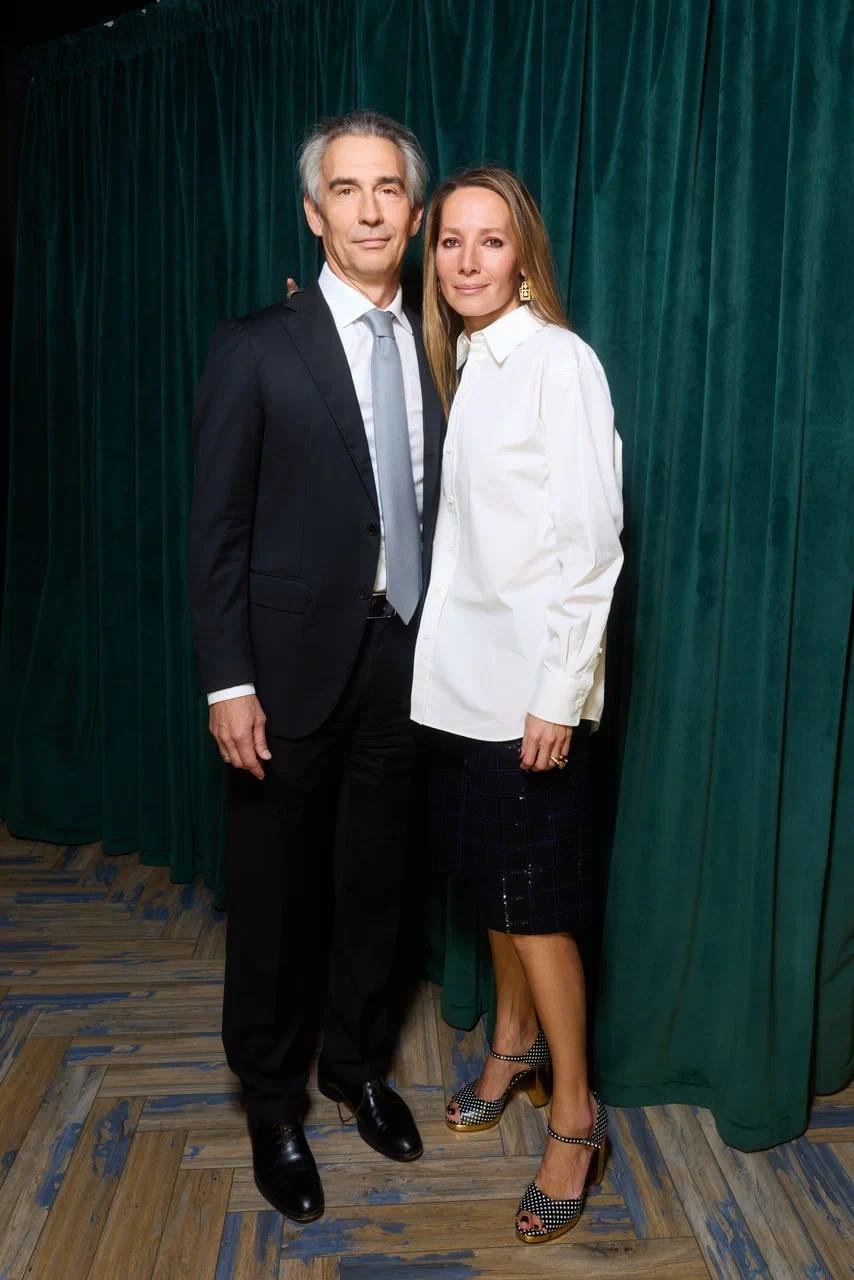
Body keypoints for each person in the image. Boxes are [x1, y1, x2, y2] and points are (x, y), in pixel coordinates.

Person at [187, 111, 443, 1224]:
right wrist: (227, 679)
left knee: (378, 882)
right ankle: (272, 1102)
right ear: (313, 211)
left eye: (388, 189)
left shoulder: (443, 344)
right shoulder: (256, 345)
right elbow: (216, 531)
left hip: (409, 654)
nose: (369, 209)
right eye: (347, 189)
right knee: (276, 897)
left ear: (414, 211)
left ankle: (355, 1067)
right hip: (284, 668)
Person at [411, 167, 623, 1244]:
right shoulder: (470, 363)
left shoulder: (556, 362)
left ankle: (575, 1117)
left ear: (523, 255)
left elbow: (591, 546)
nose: (466, 260)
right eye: (450, 241)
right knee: (493, 890)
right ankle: (509, 1044)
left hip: (527, 693)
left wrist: (557, 693)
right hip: (461, 688)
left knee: (535, 905)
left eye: (489, 241)